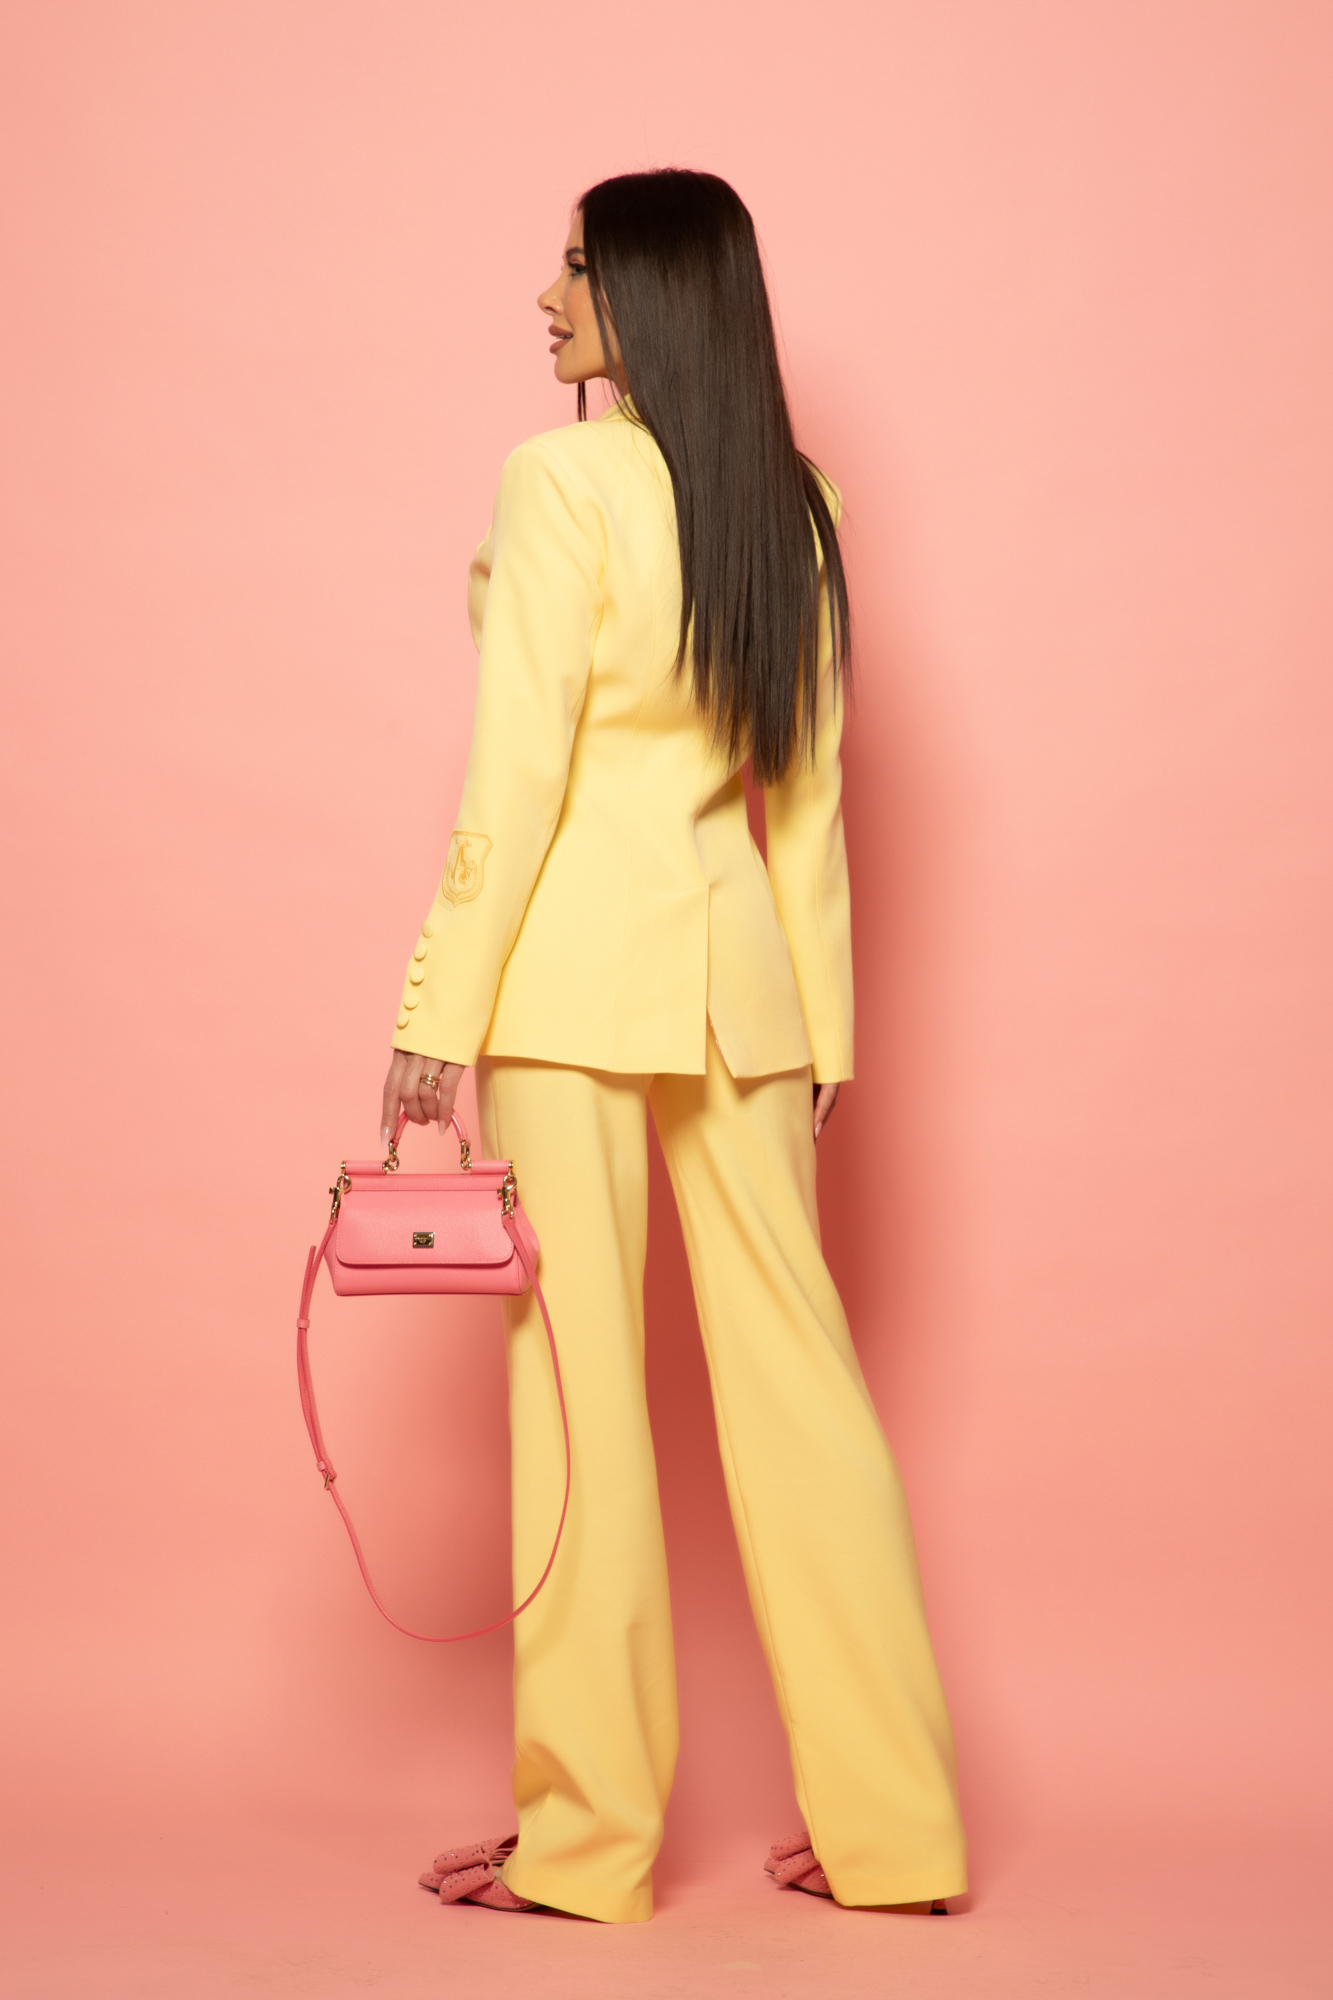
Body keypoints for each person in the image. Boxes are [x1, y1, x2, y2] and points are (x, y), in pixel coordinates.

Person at [380, 169, 965, 1924]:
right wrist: (826, 1031)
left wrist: (435, 1012)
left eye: (573, 264)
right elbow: (811, 795)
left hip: (568, 990)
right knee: (804, 1393)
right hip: (745, 995)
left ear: (644, 292)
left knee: (577, 1403)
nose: (546, 294)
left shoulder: (557, 481)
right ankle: (892, 1828)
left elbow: (518, 773)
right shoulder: (794, 500)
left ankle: (588, 1843)